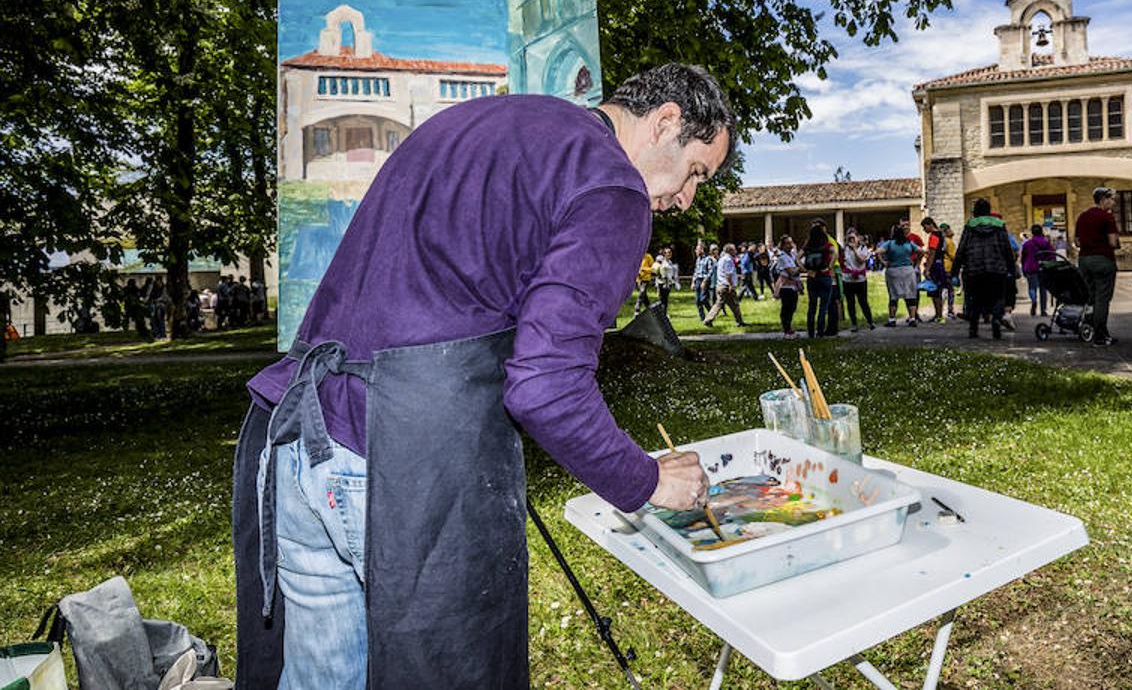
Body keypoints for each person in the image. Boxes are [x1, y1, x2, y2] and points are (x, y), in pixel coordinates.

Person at [233, 64, 734, 689]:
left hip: (296, 441)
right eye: (696, 173)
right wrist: (647, 479)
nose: (686, 199)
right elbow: (547, 385)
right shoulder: (613, 186)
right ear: (667, 121)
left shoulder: (488, 121)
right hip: (399, 474)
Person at [951, 199, 1016, 339]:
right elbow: (1007, 248)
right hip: (997, 268)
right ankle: (996, 320)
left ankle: (973, 329)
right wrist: (1012, 268)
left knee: (974, 299)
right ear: (989, 210)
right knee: (998, 297)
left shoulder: (970, 225)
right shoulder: (999, 225)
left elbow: (961, 249)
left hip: (974, 269)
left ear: (975, 212)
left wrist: (955, 271)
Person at [1075, 186, 1121, 346]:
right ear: (1103, 200)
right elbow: (1112, 242)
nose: (1113, 203)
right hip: (1103, 259)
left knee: (1090, 296)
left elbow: (1077, 241)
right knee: (1102, 298)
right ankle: (1100, 335)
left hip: (1084, 260)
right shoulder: (1106, 217)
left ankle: (1090, 329)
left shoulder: (1082, 216)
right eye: (1111, 199)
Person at [877, 224, 921, 327]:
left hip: (893, 271)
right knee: (910, 295)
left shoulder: (889, 244)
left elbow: (878, 251)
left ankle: (892, 319)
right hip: (908, 271)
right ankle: (912, 318)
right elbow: (921, 251)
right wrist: (917, 263)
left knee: (893, 296)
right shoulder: (909, 243)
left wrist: (883, 262)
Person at [799, 223, 835, 338]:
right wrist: (829, 266)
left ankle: (810, 332)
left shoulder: (808, 245)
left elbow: (797, 258)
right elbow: (835, 253)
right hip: (825, 275)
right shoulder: (826, 244)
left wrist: (806, 270)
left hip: (812, 277)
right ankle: (820, 331)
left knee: (812, 305)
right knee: (823, 306)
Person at [704, 242, 749, 327]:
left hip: (720, 285)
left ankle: (708, 319)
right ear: (730, 250)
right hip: (726, 286)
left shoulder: (721, 259)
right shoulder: (728, 260)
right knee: (734, 304)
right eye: (734, 249)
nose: (736, 251)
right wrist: (731, 285)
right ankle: (740, 321)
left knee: (720, 304)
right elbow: (728, 274)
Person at [840, 229, 875, 331]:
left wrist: (855, 249)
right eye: (849, 238)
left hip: (860, 280)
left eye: (853, 238)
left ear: (857, 238)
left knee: (863, 302)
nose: (851, 240)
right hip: (848, 280)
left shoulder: (863, 248)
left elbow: (861, 260)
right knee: (850, 303)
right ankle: (854, 324)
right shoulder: (844, 249)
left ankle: (870, 321)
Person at [920, 217, 949, 324]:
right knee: (939, 290)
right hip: (940, 264)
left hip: (935, 266)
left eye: (924, 227)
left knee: (934, 291)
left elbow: (932, 253)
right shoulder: (941, 235)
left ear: (930, 224)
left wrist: (927, 269)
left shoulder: (933, 236)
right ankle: (939, 315)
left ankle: (938, 315)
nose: (924, 230)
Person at [772, 234, 803, 337]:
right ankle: (787, 330)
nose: (791, 245)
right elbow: (791, 272)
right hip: (786, 287)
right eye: (788, 243)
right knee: (787, 308)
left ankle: (789, 328)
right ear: (783, 245)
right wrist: (800, 268)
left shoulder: (793, 255)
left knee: (793, 307)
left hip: (794, 286)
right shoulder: (782, 257)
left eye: (791, 242)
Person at [1020, 224, 1054, 317]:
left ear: (1032, 232)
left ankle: (1034, 300)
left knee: (1032, 287)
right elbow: (1052, 255)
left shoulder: (1027, 244)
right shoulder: (1046, 243)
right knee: (1043, 290)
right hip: (1043, 268)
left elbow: (1023, 257)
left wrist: (1024, 268)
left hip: (1031, 268)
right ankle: (1043, 310)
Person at [691, 241, 715, 321]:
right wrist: (693, 282)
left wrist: (705, 281)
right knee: (698, 301)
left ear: (702, 250)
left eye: (697, 249)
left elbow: (711, 271)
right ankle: (703, 318)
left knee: (703, 299)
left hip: (705, 280)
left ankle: (711, 313)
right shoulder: (698, 259)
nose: (695, 251)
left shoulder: (708, 259)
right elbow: (696, 271)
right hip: (698, 280)